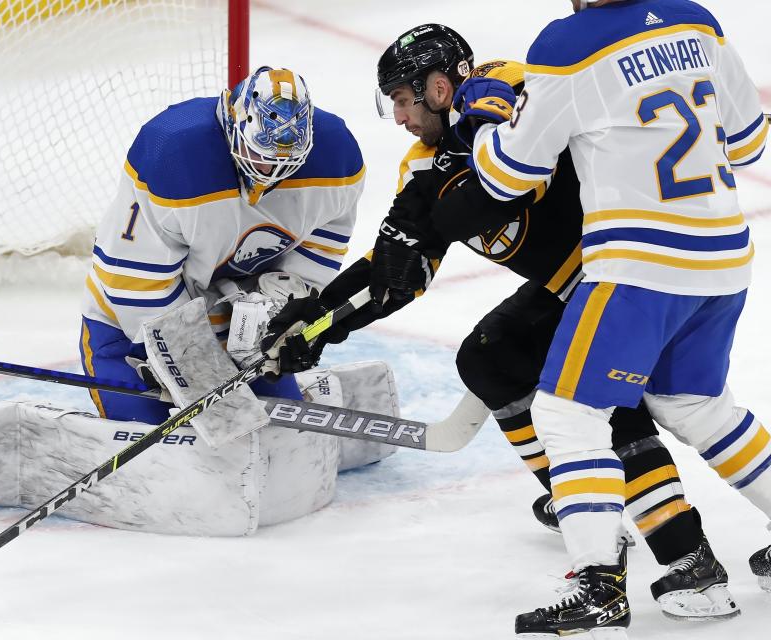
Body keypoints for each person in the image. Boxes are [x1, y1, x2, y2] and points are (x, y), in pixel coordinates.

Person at [261, 22, 740, 621]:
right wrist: (321, 321)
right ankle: (579, 500)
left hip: (630, 280)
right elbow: (397, 272)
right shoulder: (424, 164)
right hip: (581, 288)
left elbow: (508, 138)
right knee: (491, 352)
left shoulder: (506, 82)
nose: (401, 119)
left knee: (605, 412)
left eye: (405, 101)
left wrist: (442, 188)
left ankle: (686, 556)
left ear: (440, 87)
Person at [457, 0, 770, 636]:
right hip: (723, 257)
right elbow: (751, 141)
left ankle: (599, 588)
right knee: (695, 404)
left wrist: (483, 116)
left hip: (638, 269)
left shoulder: (568, 42)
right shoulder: (697, 20)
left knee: (567, 414)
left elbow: (508, 174)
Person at [79, 65, 365, 423]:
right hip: (130, 334)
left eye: (286, 160)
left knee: (278, 446)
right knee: (165, 463)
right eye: (261, 153)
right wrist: (191, 366)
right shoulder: (171, 152)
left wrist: (283, 324)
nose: (272, 170)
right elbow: (133, 281)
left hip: (241, 334)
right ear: (235, 125)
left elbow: (320, 251)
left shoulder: (337, 158)